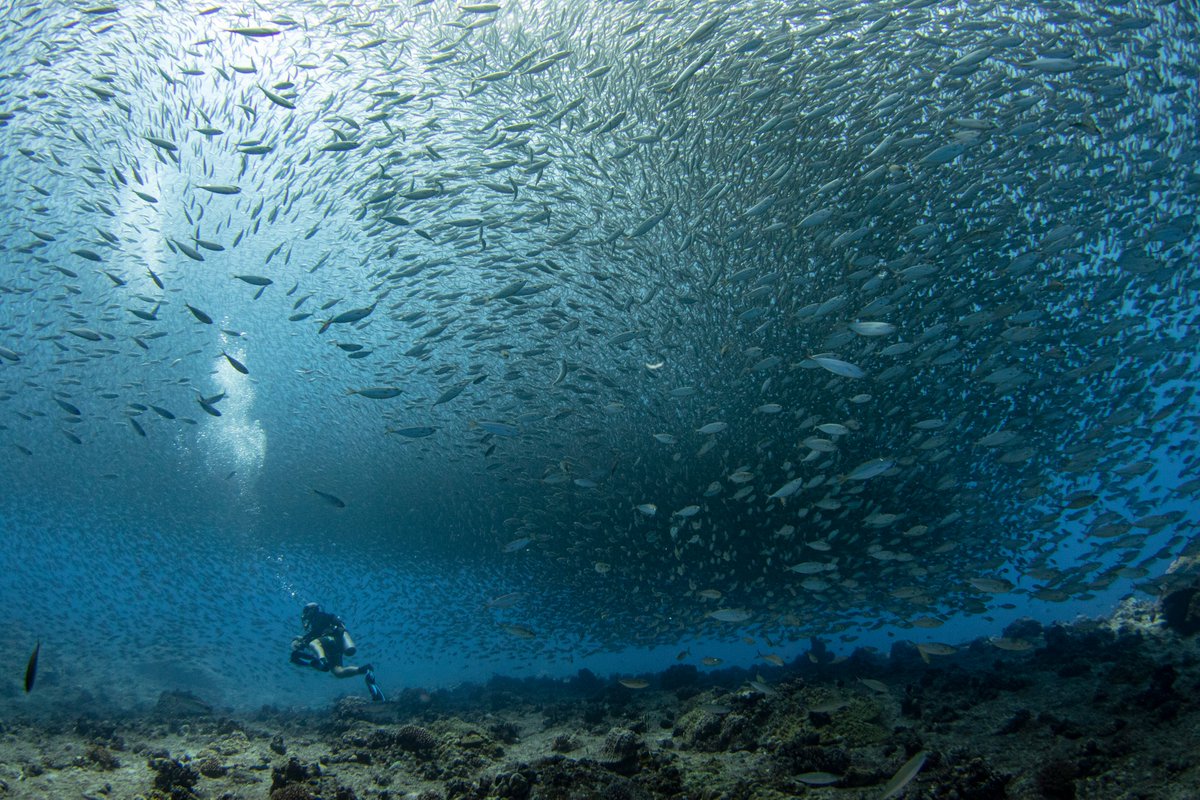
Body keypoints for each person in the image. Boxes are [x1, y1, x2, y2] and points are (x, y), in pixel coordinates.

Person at [290, 602, 385, 701]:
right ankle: (365, 670)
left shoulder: (319, 617)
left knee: (314, 644)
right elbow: (314, 634)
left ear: (313, 610)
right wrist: (303, 641)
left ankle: (323, 661)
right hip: (335, 647)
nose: (304, 614)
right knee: (338, 671)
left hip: (330, 639)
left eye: (306, 610)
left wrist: (302, 640)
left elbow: (314, 634)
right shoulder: (324, 619)